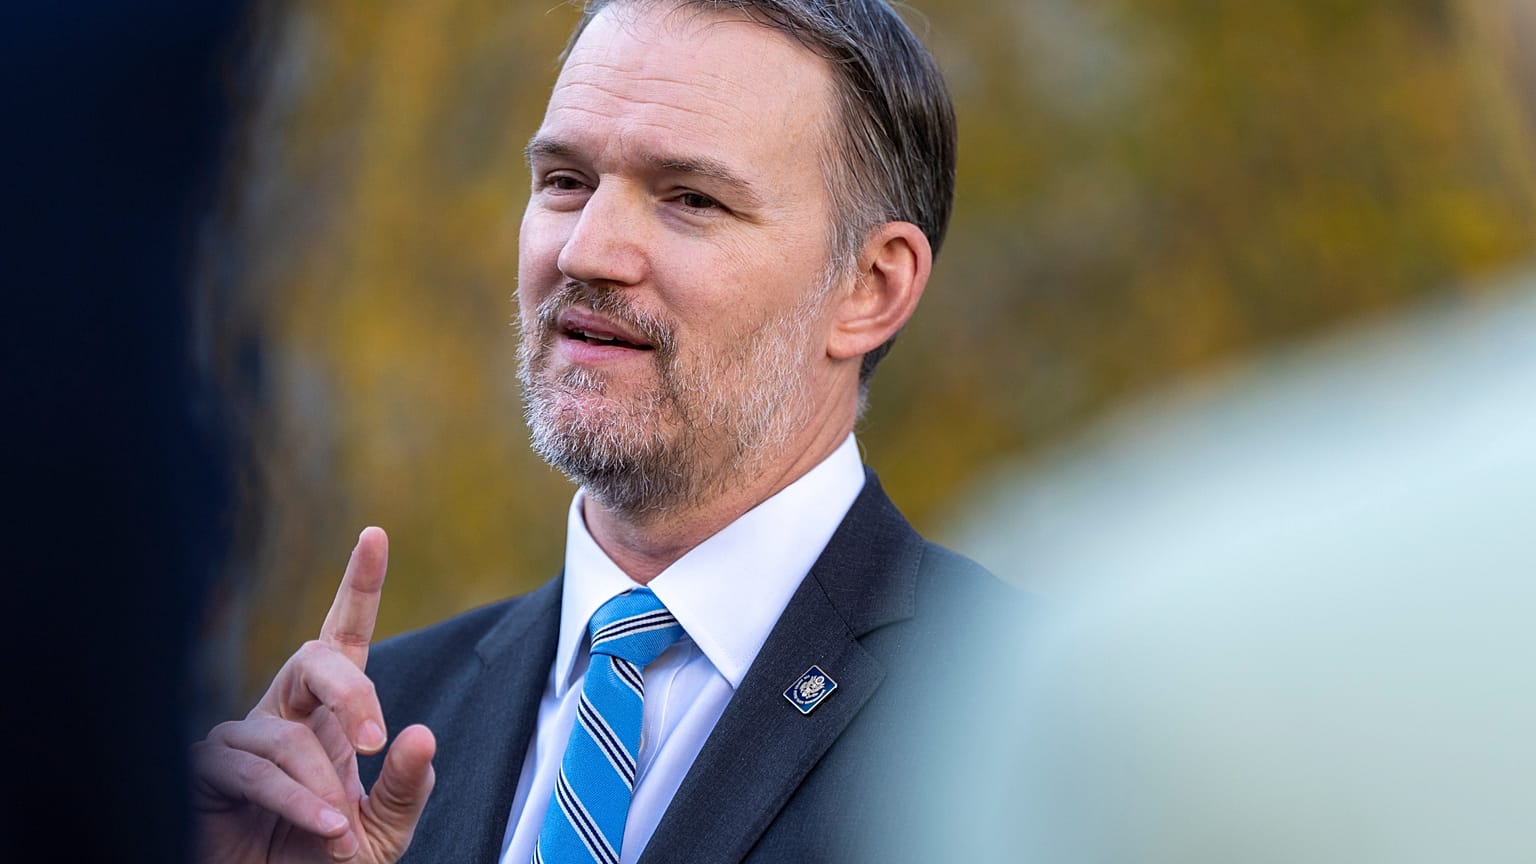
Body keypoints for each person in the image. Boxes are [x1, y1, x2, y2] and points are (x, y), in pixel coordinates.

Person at [191, 1, 1014, 862]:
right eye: (565, 182)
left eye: (690, 198)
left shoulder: (1027, 713)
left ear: (870, 289)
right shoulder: (361, 735)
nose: (586, 251)